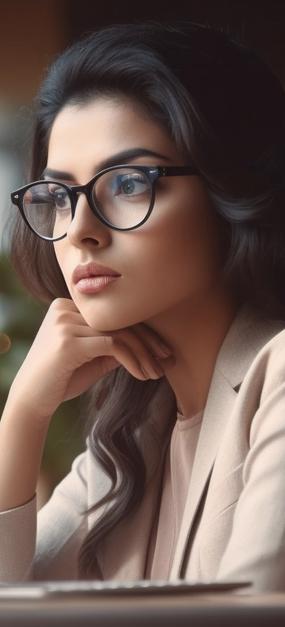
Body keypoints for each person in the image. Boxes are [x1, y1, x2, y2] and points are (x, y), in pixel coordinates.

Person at [1, 20, 285, 592]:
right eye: (59, 196)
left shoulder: (277, 375)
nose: (79, 230)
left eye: (128, 183)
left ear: (227, 188)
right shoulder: (131, 430)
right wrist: (23, 415)